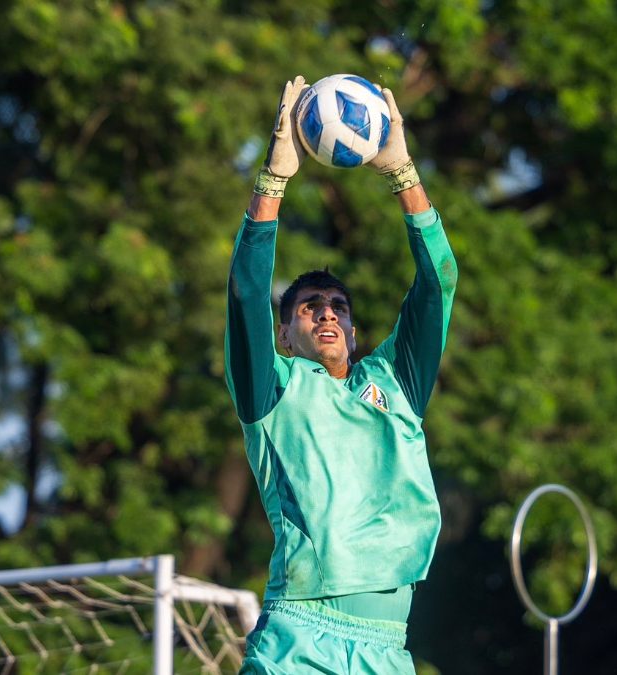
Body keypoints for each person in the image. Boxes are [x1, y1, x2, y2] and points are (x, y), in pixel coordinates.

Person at [225, 74, 457, 674]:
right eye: (309, 307)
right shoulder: (272, 390)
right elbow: (248, 291)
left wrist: (402, 172)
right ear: (284, 335)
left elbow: (439, 284)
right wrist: (273, 180)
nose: (326, 312)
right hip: (301, 638)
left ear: (353, 332)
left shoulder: (394, 383)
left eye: (338, 307)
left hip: (387, 648)